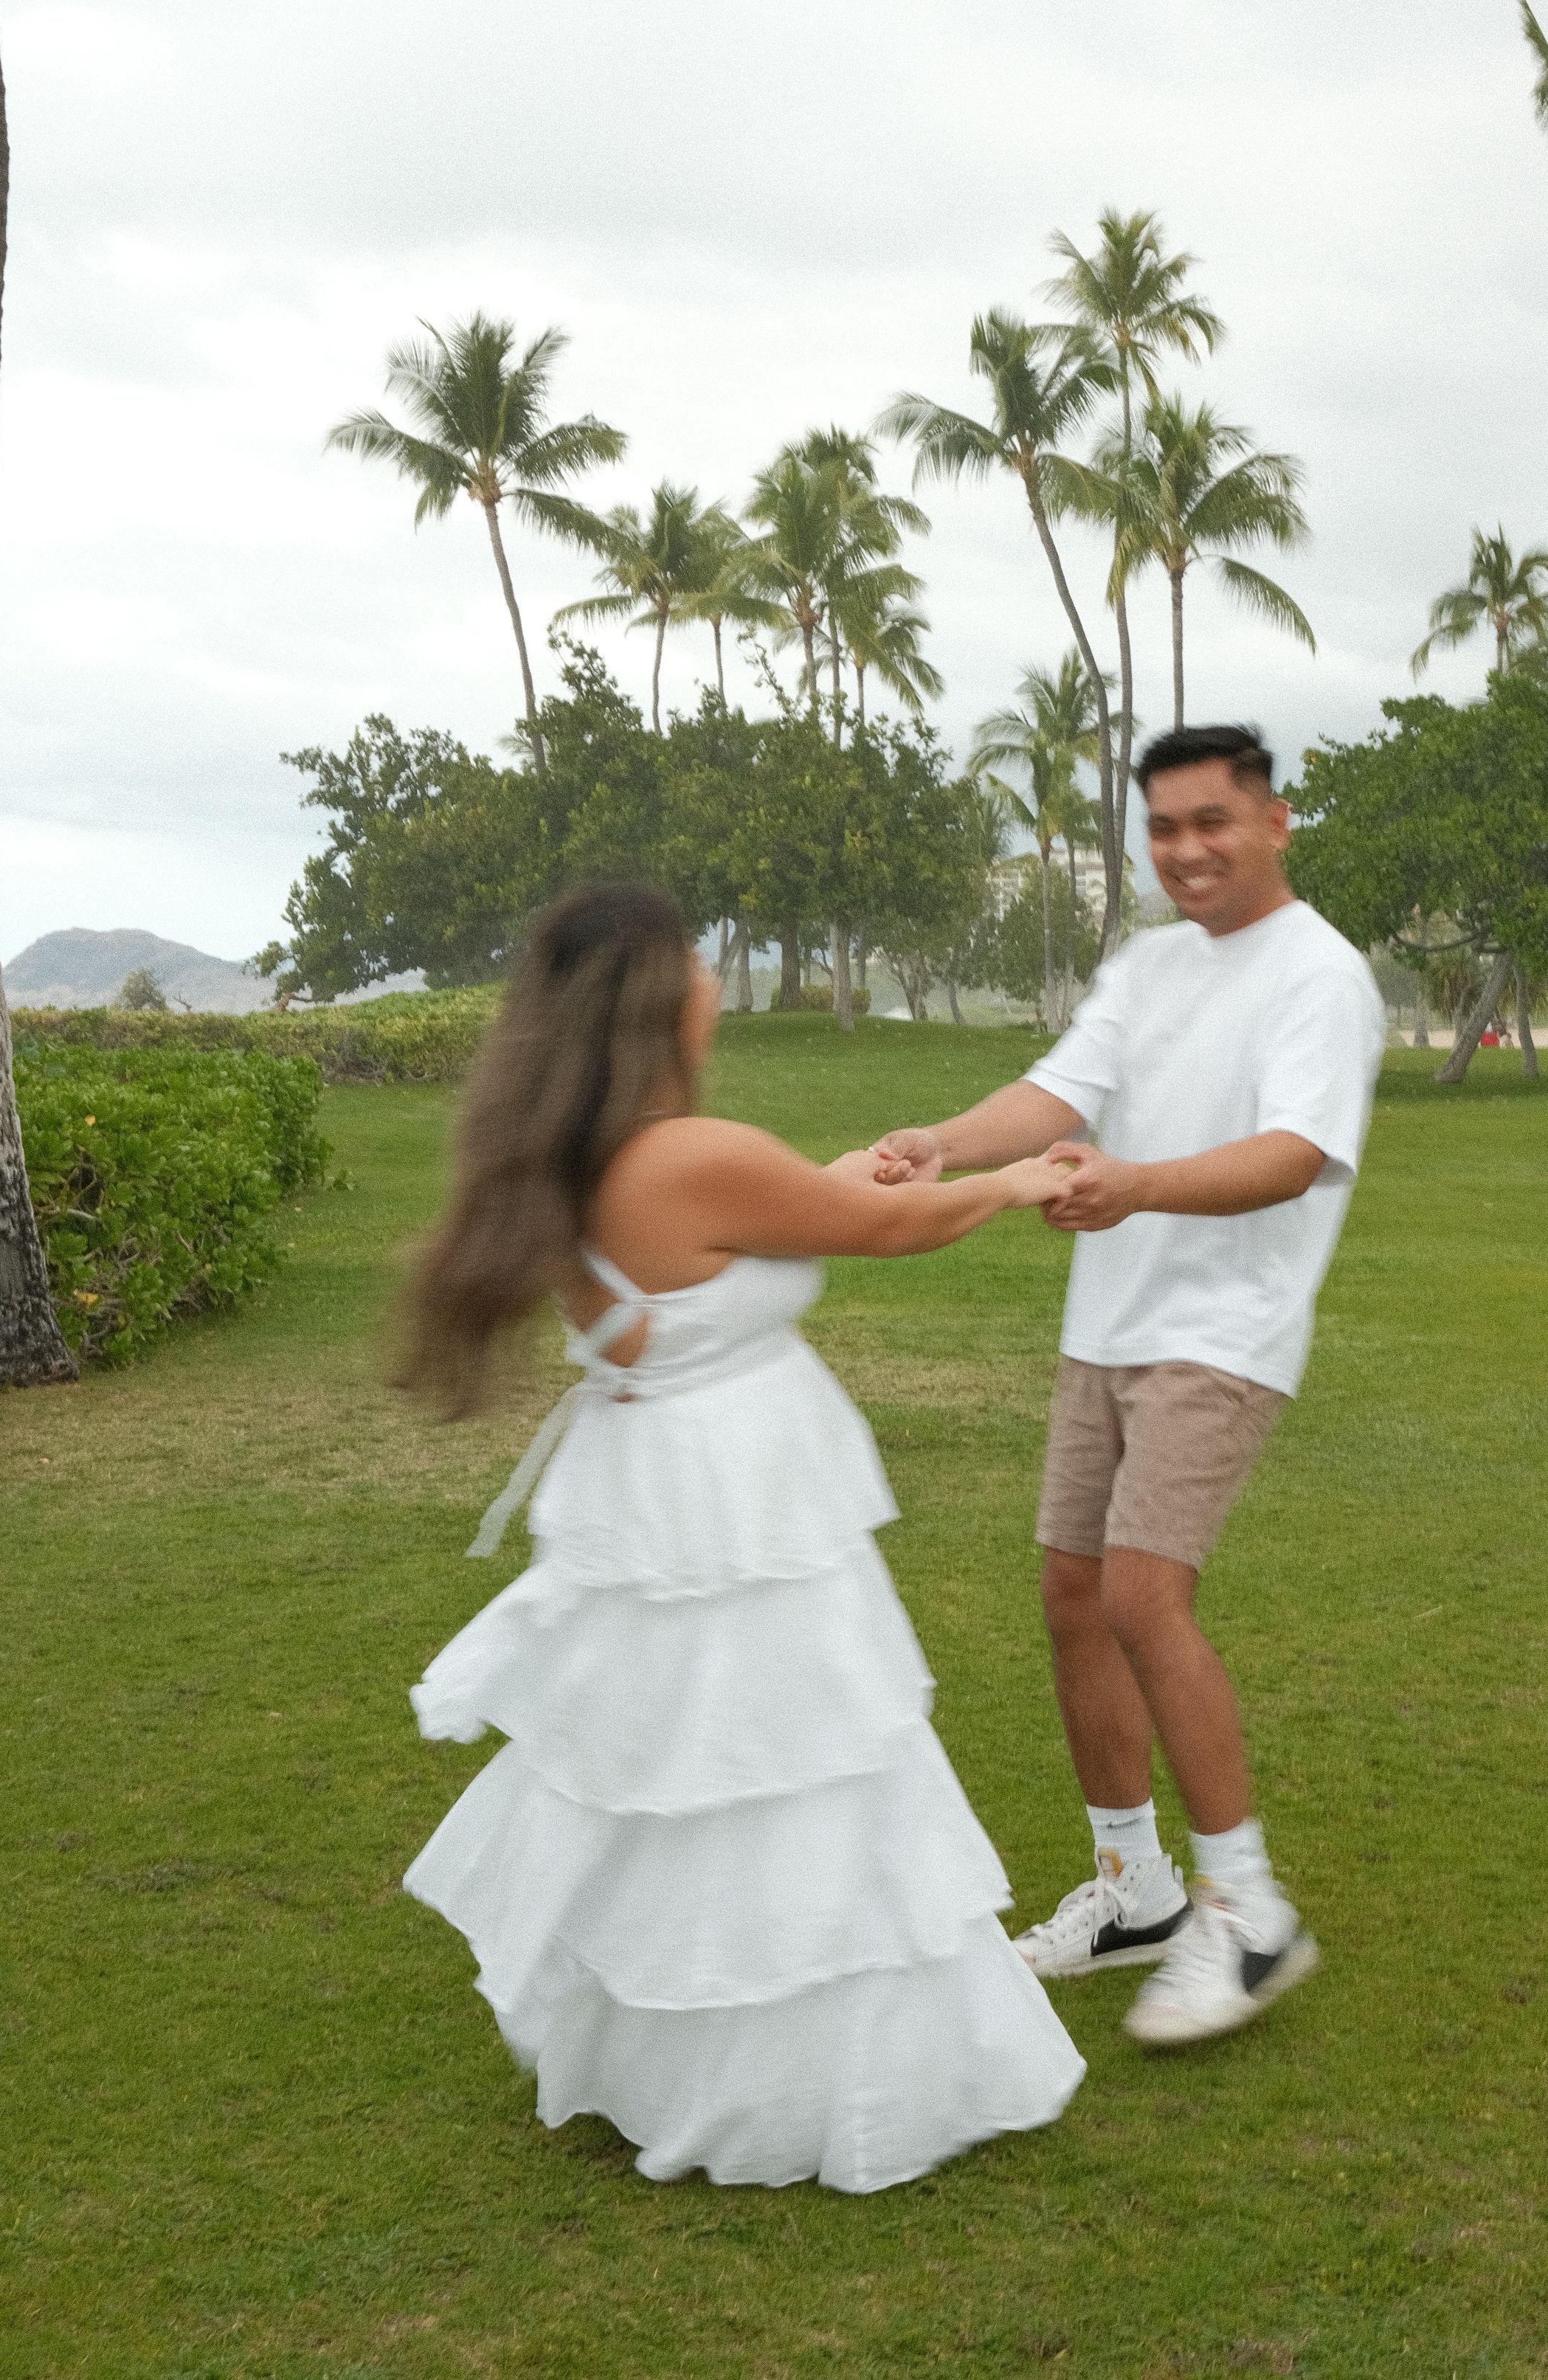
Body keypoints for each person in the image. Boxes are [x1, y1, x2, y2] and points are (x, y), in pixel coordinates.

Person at [395, 882, 1086, 2193]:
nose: (715, 980)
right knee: (790, 1760)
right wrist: (1012, 1181)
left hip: (666, 1492)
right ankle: (806, 2077)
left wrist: (849, 1176)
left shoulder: (583, 1157)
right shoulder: (689, 1156)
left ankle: (687, 2061)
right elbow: (877, 1230)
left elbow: (767, 1220)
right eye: (699, 962)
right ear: (660, 999)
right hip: (734, 1507)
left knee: (694, 1776)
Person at [871, 724, 1386, 2047]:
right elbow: (1060, 1091)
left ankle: (1248, 1912)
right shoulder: (1150, 963)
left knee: (1144, 1597)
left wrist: (1135, 1184)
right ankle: (1136, 1890)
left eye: (1212, 821)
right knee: (1074, 1599)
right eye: (1163, 828)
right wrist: (941, 1142)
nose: (1186, 851)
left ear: (1275, 820)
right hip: (1109, 1325)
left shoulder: (1320, 975)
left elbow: (1294, 1152)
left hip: (1223, 1333)